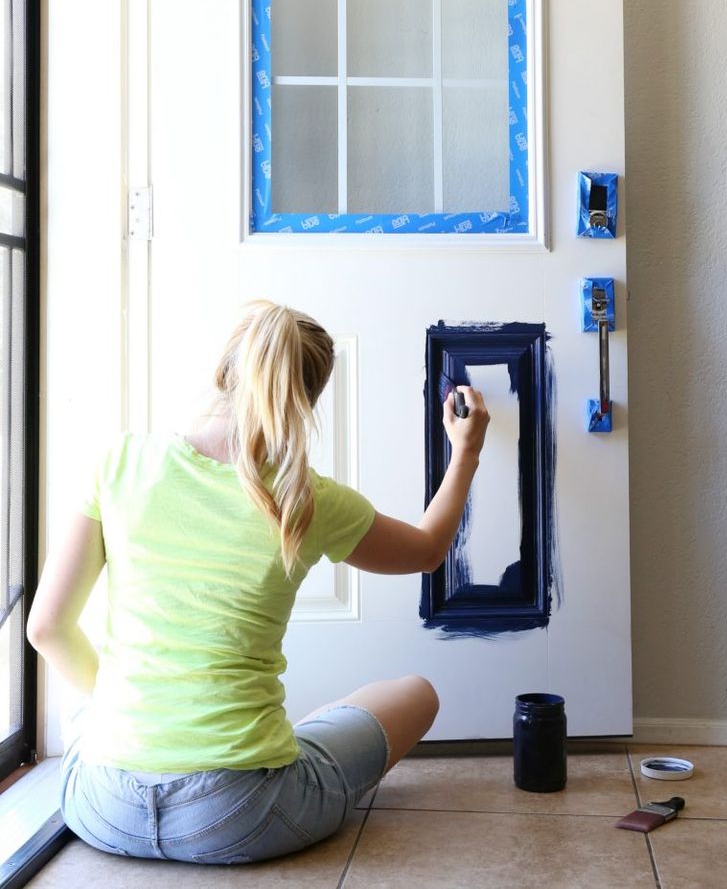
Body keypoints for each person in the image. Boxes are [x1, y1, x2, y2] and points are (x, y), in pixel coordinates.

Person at [27, 300, 490, 865]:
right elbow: (427, 551)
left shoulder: (119, 461)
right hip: (239, 814)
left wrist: (129, 716)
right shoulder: (310, 499)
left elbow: (47, 628)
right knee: (416, 693)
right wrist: (464, 451)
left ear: (223, 371)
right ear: (309, 397)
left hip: (102, 808)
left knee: (88, 716)